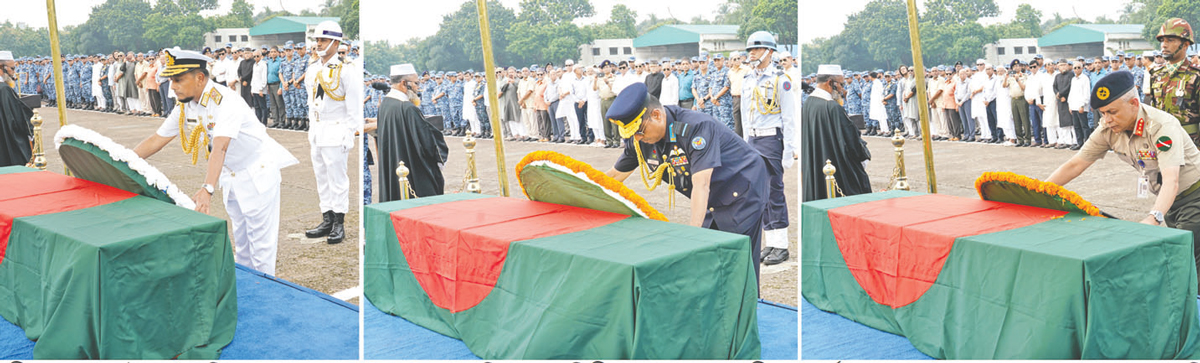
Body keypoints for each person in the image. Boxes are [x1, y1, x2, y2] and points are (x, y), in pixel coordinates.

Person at [133, 49, 298, 276]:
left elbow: (220, 146)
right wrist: (121, 160)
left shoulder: (225, 101)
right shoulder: (186, 104)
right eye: (171, 80)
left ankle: (265, 297)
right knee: (242, 245)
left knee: (261, 248)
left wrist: (207, 189)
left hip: (257, 173)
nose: (173, 86)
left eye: (178, 79)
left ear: (199, 78)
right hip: (231, 175)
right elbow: (157, 139)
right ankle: (246, 290)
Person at [605, 82, 773, 284]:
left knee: (735, 256)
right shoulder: (639, 139)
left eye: (639, 131)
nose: (637, 139)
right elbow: (614, 177)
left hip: (742, 186)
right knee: (709, 258)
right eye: (631, 134)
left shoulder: (695, 127)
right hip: (710, 195)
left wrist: (692, 236)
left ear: (657, 115)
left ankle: (745, 310)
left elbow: (701, 184)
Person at [1046, 70, 1200, 274]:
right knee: (1183, 262)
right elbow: (1075, 165)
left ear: (1134, 104)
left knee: (1184, 262)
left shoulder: (1161, 126)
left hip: (1194, 197)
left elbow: (1172, 181)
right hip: (1169, 203)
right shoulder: (1108, 129)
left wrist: (1154, 217)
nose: (1107, 119)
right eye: (1102, 113)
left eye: (1112, 112)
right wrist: (1041, 190)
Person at [303, 20, 363, 245]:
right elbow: (312, 103)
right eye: (317, 40)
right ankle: (326, 218)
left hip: (336, 128)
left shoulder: (347, 69)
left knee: (337, 179)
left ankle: (339, 222)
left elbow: (354, 106)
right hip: (318, 129)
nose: (319, 44)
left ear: (336, 43)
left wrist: (349, 133)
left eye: (323, 40)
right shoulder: (313, 69)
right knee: (321, 177)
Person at [740, 31, 795, 266]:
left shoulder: (780, 80)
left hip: (772, 140)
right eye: (750, 49)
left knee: (774, 191)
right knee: (759, 193)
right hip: (753, 139)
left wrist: (789, 150)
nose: (751, 53)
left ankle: (781, 245)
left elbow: (790, 117)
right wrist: (744, 142)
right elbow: (744, 114)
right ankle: (770, 242)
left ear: (769, 52)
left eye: (756, 49)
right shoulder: (748, 79)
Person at [373, 64, 448, 201]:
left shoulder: (385, 104)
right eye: (416, 83)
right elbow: (426, 142)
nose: (418, 87)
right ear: (404, 83)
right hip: (411, 171)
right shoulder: (407, 108)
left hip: (394, 167)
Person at [802, 64, 872, 202]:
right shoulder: (832, 107)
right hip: (836, 171)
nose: (842, 89)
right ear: (830, 83)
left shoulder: (808, 104)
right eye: (840, 84)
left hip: (815, 168)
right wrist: (863, 155)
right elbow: (851, 142)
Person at [1149, 18, 1200, 145]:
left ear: (1185, 44)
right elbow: (1153, 111)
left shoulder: (1196, 75)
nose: (1164, 45)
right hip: (1162, 143)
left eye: (1170, 40)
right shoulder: (1156, 75)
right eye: (1162, 41)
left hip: (1190, 144)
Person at [0, 51, 33, 167]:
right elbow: (17, 120)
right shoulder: (4, 90)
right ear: (2, 68)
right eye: (12, 68)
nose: (14, 73)